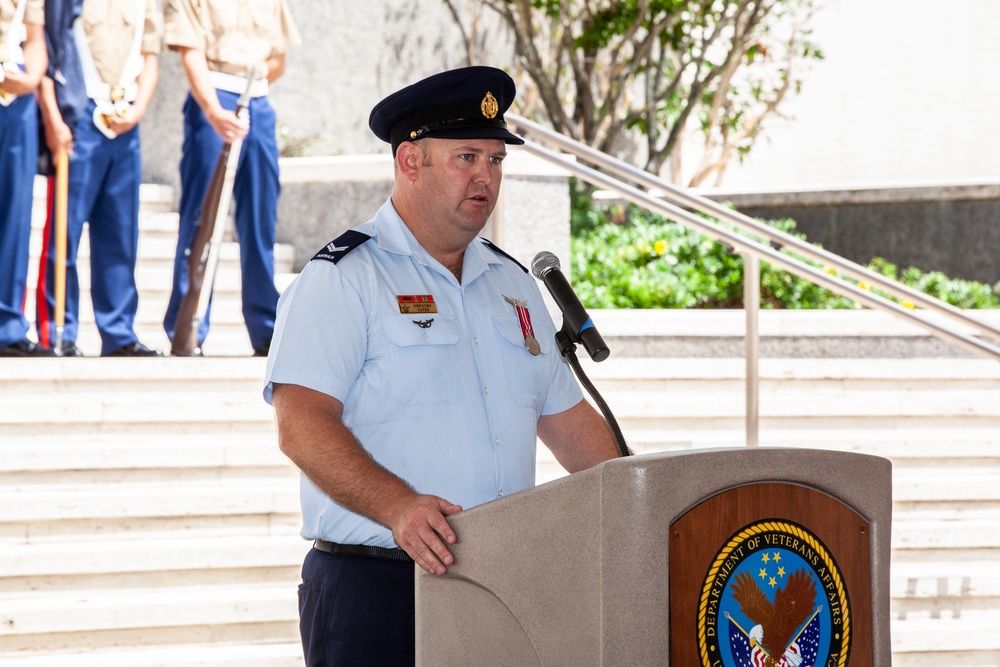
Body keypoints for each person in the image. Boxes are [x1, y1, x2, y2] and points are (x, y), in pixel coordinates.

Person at [264, 66, 622, 666]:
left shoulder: (514, 288)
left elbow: (570, 425)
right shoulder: (345, 279)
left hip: (503, 586)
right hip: (377, 589)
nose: (486, 176)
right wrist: (398, 507)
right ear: (411, 161)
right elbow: (301, 425)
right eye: (466, 157)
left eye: (495, 161)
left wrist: (648, 506)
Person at [161, 0, 299, 357]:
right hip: (214, 95)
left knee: (259, 218)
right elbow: (190, 54)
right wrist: (212, 109)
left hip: (258, 101)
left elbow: (278, 59)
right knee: (201, 216)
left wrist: (257, 75)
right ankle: (187, 324)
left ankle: (266, 328)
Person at [34, 0, 163, 357]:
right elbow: (48, 50)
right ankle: (58, 330)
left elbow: (150, 55)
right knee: (64, 231)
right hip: (79, 115)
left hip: (124, 118)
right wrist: (54, 118)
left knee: (120, 234)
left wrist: (138, 111)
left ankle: (119, 332)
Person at [0, 0, 51, 357]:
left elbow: (34, 37)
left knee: (14, 213)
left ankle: (7, 325)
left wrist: (31, 78)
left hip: (15, 92)